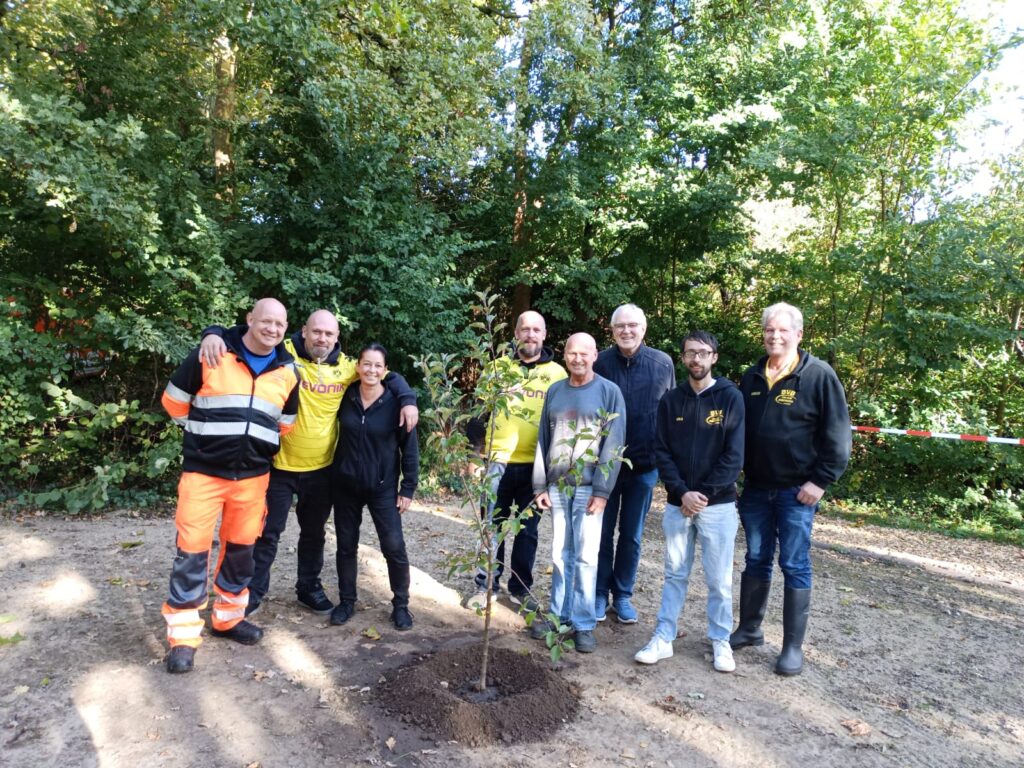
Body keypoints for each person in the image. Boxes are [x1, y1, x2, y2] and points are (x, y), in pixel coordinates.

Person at [199, 311, 418, 616]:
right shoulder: (284, 353)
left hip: (321, 470)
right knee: (266, 533)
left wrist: (408, 399)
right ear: (304, 331)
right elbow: (250, 336)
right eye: (316, 332)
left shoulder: (347, 368)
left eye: (328, 334)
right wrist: (213, 332)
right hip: (279, 465)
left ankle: (308, 588)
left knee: (314, 534)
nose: (321, 339)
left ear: (337, 337)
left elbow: (386, 375)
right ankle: (253, 592)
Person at [160, 298, 300, 674]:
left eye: (280, 324)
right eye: (266, 321)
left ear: (286, 329)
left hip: (252, 479)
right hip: (203, 474)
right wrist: (205, 436)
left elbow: (285, 424)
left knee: (241, 552)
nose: (272, 329)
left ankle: (228, 618)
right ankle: (183, 637)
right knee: (192, 552)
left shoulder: (288, 371)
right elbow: (174, 402)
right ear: (250, 319)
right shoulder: (213, 353)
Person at [730, 302, 851, 676]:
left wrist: (820, 481)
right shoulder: (752, 377)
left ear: (798, 334)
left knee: (794, 563)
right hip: (756, 490)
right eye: (769, 330)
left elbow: (838, 434)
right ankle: (750, 629)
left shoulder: (818, 376)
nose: (775, 336)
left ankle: (792, 648)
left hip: (797, 492)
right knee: (756, 558)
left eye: (783, 330)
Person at [634, 331, 744, 673]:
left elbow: (734, 456)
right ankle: (663, 637)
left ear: (714, 357)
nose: (696, 359)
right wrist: (682, 492)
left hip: (718, 506)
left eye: (703, 353)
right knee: (674, 574)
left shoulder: (730, 398)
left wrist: (702, 495)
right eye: (690, 353)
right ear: (682, 358)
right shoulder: (671, 401)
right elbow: (661, 451)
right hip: (677, 505)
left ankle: (720, 640)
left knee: (719, 580)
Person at [531, 333, 626, 653]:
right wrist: (540, 484)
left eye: (584, 353)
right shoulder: (555, 391)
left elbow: (614, 444)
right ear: (565, 356)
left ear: (595, 355)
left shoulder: (609, 392)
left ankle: (583, 624)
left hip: (588, 488)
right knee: (559, 553)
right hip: (558, 486)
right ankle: (558, 616)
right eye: (572, 353)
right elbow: (543, 438)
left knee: (585, 556)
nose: (578, 359)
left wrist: (602, 490)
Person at [467, 310, 567, 611]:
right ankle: (486, 585)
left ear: (544, 335)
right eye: (525, 329)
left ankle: (520, 589)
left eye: (536, 330)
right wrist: (474, 456)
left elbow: (563, 423)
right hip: (495, 462)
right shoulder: (497, 368)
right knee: (491, 526)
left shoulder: (557, 374)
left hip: (536, 468)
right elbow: (478, 416)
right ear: (515, 334)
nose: (530, 335)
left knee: (528, 531)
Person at [593, 304, 676, 623]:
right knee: (601, 534)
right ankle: (599, 593)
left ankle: (623, 595)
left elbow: (670, 413)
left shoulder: (662, 363)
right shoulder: (599, 362)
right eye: (620, 326)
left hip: (644, 466)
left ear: (644, 328)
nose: (626, 331)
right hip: (604, 468)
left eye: (632, 325)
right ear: (612, 330)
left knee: (632, 535)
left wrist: (668, 462)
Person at [329, 344, 419, 630]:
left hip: (383, 487)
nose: (371, 370)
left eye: (378, 365)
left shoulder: (396, 403)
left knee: (393, 546)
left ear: (385, 370)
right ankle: (346, 602)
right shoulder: (345, 395)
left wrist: (408, 488)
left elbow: (410, 448)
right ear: (358, 366)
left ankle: (401, 605)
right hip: (345, 485)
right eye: (366, 364)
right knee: (346, 546)